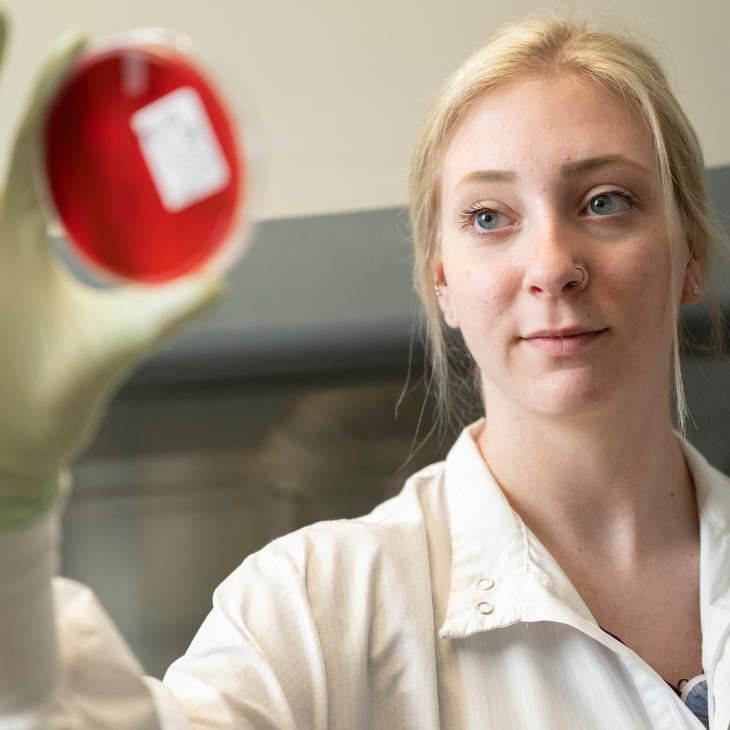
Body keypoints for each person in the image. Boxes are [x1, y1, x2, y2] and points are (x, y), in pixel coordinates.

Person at [0, 10, 727, 730]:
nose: (551, 267)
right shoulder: (316, 608)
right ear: (442, 282)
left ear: (690, 254)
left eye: (606, 202)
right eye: (488, 217)